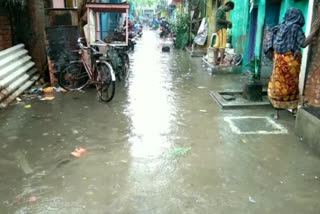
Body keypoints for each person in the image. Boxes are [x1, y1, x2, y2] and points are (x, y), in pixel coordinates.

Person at [264, 8, 320, 120]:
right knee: (291, 84)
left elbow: (272, 44)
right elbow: (303, 44)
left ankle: (276, 114)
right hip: (291, 61)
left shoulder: (280, 27)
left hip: (279, 61)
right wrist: (314, 30)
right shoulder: (296, 28)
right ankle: (294, 109)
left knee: (278, 85)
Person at [213, 1, 235, 66]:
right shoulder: (221, 10)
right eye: (229, 9)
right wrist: (227, 22)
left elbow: (220, 20)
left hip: (219, 29)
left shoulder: (221, 10)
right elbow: (218, 20)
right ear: (227, 6)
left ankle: (215, 61)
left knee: (216, 46)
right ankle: (221, 62)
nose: (229, 10)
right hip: (221, 29)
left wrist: (228, 24)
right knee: (222, 46)